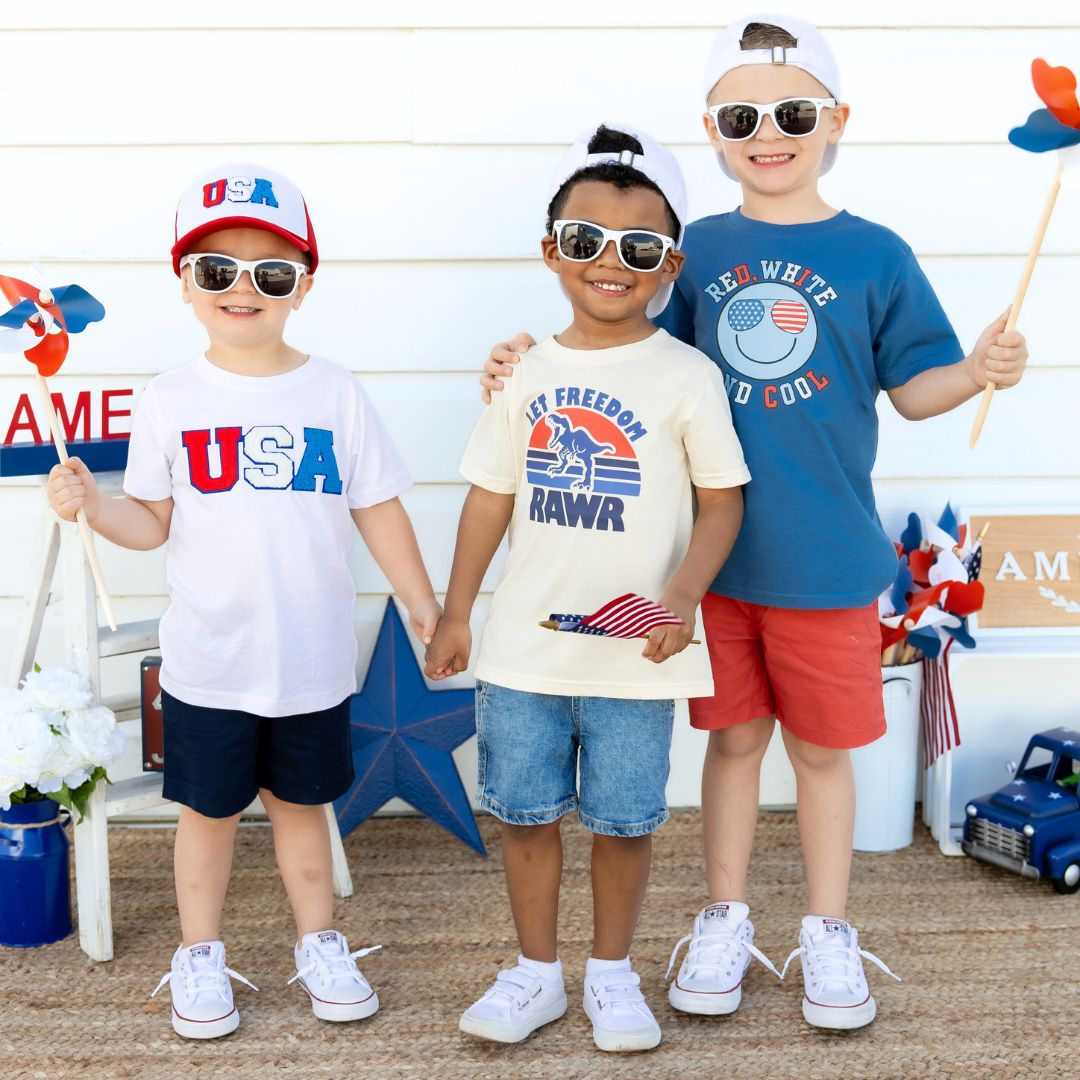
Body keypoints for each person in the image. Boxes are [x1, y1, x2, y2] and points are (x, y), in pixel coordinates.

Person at [478, 15, 1029, 1031]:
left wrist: (977, 371)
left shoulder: (876, 253)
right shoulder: (696, 252)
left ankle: (827, 931)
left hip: (824, 560)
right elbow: (619, 342)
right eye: (742, 116)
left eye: (791, 112)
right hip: (706, 562)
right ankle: (724, 917)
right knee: (730, 745)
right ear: (713, 129)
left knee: (823, 754)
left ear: (835, 120)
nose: (767, 132)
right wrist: (523, 362)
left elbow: (914, 391)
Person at [47, 163, 441, 1039]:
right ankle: (200, 954)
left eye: (271, 273)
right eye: (217, 270)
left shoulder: (334, 391)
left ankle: (319, 943)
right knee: (209, 814)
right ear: (185, 283)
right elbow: (151, 522)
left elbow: (376, 505)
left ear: (303, 284)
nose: (243, 289)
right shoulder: (170, 400)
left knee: (304, 812)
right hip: (209, 662)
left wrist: (421, 600)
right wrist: (95, 505)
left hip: (307, 660)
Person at [425, 125, 749, 1052]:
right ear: (551, 252)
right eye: (585, 242)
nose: (611, 263)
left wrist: (682, 599)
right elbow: (490, 500)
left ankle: (611, 974)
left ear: (668, 265)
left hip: (638, 655)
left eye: (638, 248)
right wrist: (456, 611)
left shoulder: (689, 377)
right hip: (526, 653)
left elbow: (722, 507)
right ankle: (535, 972)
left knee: (624, 821)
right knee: (523, 816)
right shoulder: (524, 374)